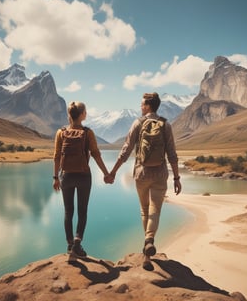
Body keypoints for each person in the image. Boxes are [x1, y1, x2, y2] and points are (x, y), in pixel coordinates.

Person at [109, 92, 181, 270]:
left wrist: (113, 171)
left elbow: (126, 150)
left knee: (145, 210)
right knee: (155, 210)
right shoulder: (165, 125)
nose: (140, 107)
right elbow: (172, 154)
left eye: (142, 104)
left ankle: (147, 251)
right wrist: (177, 177)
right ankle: (149, 241)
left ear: (148, 106)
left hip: (141, 173)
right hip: (160, 174)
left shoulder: (138, 123)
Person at [53, 101, 113, 259]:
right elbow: (96, 154)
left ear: (69, 115)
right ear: (82, 115)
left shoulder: (61, 132)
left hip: (65, 175)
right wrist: (107, 174)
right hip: (84, 175)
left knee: (68, 211)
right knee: (82, 211)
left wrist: (55, 177)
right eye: (85, 111)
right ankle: (77, 245)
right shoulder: (88, 133)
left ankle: (69, 245)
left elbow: (57, 156)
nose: (86, 113)